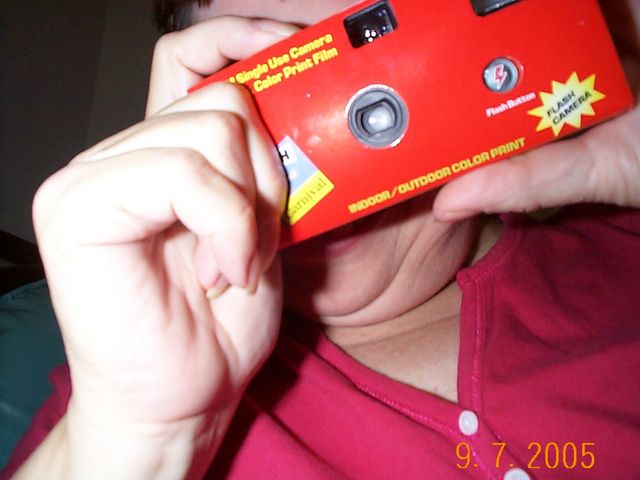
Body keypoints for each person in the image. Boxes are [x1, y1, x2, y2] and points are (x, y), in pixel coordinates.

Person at [2, 0, 639, 478]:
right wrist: (136, 443)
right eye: (264, 95)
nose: (318, 153)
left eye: (371, 77)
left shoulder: (623, 236)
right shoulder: (117, 394)